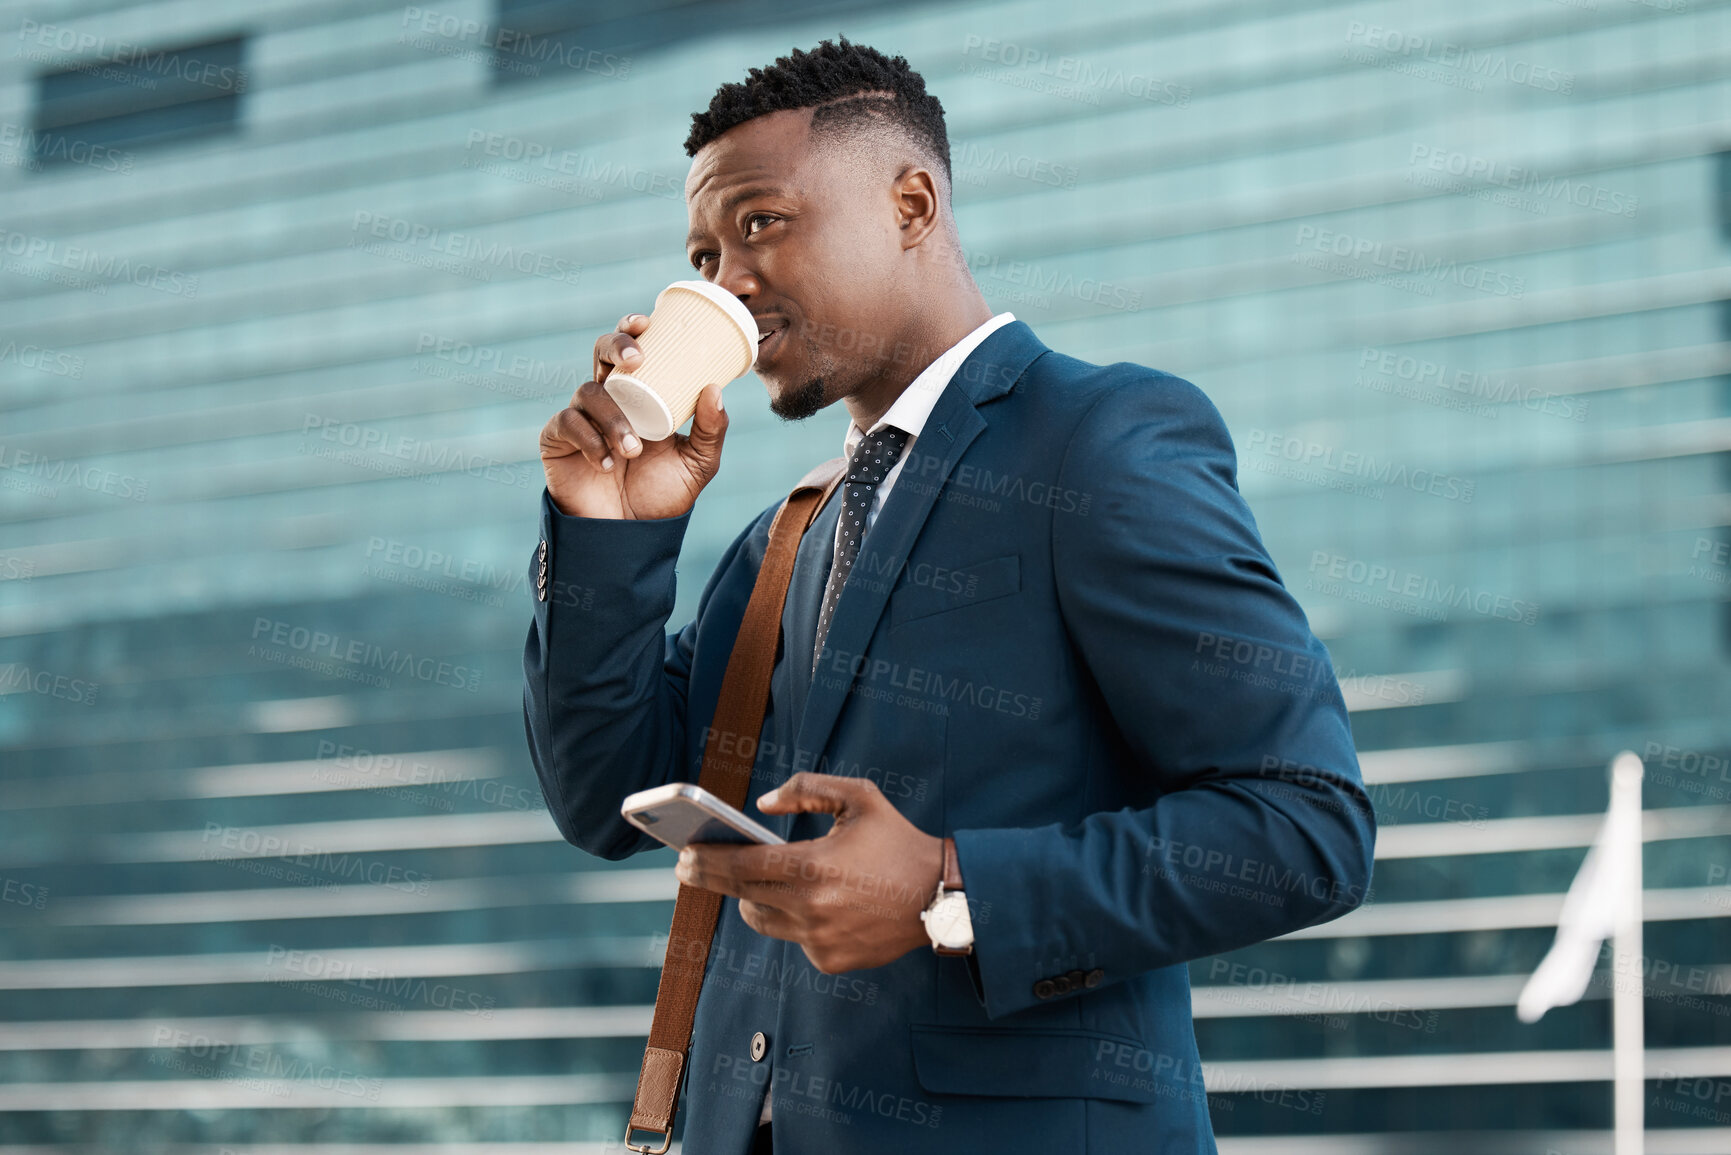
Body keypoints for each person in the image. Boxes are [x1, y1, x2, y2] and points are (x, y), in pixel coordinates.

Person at [523, 36, 1374, 1155]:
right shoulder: (789, 532)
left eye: (759, 225)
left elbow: (1306, 825)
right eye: (702, 249)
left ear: (912, 203)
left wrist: (946, 885)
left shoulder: (1101, 442)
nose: (723, 279)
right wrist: (607, 528)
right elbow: (604, 797)